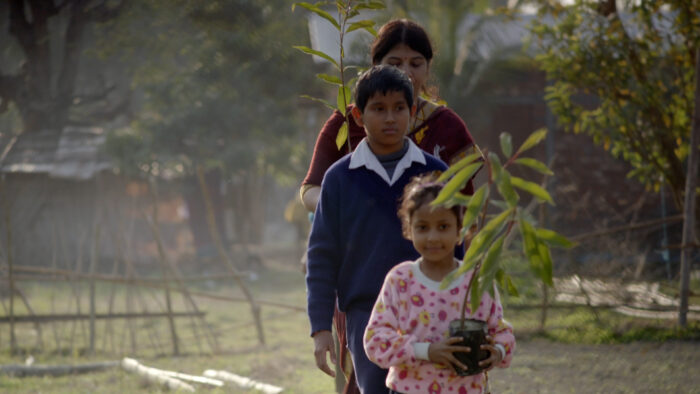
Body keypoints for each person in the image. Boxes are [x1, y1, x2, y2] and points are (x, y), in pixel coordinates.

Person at [300, 19, 478, 394]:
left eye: (400, 108)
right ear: (359, 117)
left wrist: (468, 310)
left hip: (433, 306)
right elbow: (321, 253)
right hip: (367, 306)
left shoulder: (436, 170)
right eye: (379, 108)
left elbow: (458, 242)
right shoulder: (340, 175)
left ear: (413, 113)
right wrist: (320, 328)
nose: (390, 116)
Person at [300, 18, 477, 213]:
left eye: (416, 64)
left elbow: (465, 206)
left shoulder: (447, 126)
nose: (406, 73)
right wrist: (343, 208)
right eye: (395, 63)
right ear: (376, 65)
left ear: (427, 69)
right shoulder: (347, 122)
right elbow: (311, 188)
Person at [363, 173, 515, 394]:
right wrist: (426, 351)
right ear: (409, 230)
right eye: (423, 227)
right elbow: (375, 341)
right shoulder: (400, 280)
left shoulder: (477, 281)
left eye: (443, 226)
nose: (433, 237)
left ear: (461, 230)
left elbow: (502, 332)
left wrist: (497, 351)